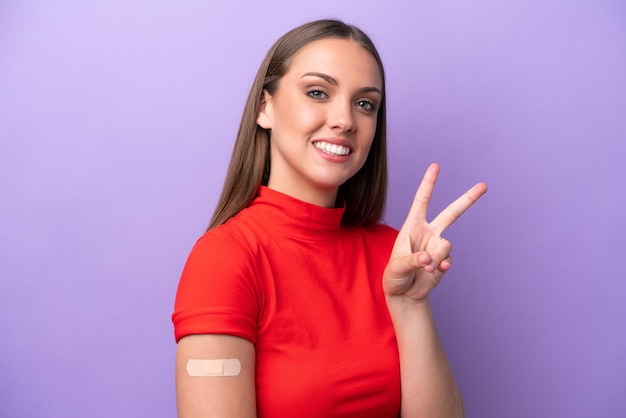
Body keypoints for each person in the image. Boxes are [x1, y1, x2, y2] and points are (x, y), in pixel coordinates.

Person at [172, 19, 487, 418]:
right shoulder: (225, 259)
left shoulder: (396, 255)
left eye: (365, 103)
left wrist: (410, 305)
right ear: (264, 108)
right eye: (318, 92)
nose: (345, 120)